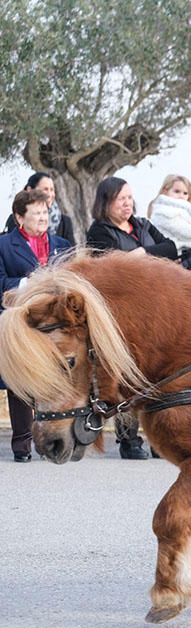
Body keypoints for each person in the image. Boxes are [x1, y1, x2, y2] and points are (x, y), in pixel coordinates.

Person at [87, 176, 179, 460]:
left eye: (129, 198)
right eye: (120, 199)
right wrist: (142, 260)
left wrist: (140, 254)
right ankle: (129, 440)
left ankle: (157, 439)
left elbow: (171, 248)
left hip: (155, 309)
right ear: (106, 203)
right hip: (123, 313)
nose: (127, 204)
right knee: (127, 376)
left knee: (157, 375)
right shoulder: (99, 231)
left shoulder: (142, 226)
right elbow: (111, 267)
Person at [0, 190, 71, 462]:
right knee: (21, 384)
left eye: (45, 212)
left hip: (55, 323)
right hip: (20, 322)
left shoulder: (61, 244)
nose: (43, 218)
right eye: (36, 213)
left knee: (53, 381)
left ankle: (55, 438)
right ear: (19, 217)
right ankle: (22, 443)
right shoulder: (4, 245)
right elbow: (1, 282)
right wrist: (32, 283)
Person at [4, 172, 76, 245]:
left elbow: (71, 253)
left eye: (52, 189)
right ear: (30, 190)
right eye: (45, 189)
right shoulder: (17, 218)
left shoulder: (65, 222)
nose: (50, 194)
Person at [147, 174, 191, 252]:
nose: (181, 196)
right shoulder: (163, 212)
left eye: (185, 193)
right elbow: (184, 231)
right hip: (176, 254)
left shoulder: (186, 211)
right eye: (177, 191)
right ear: (165, 191)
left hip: (187, 251)